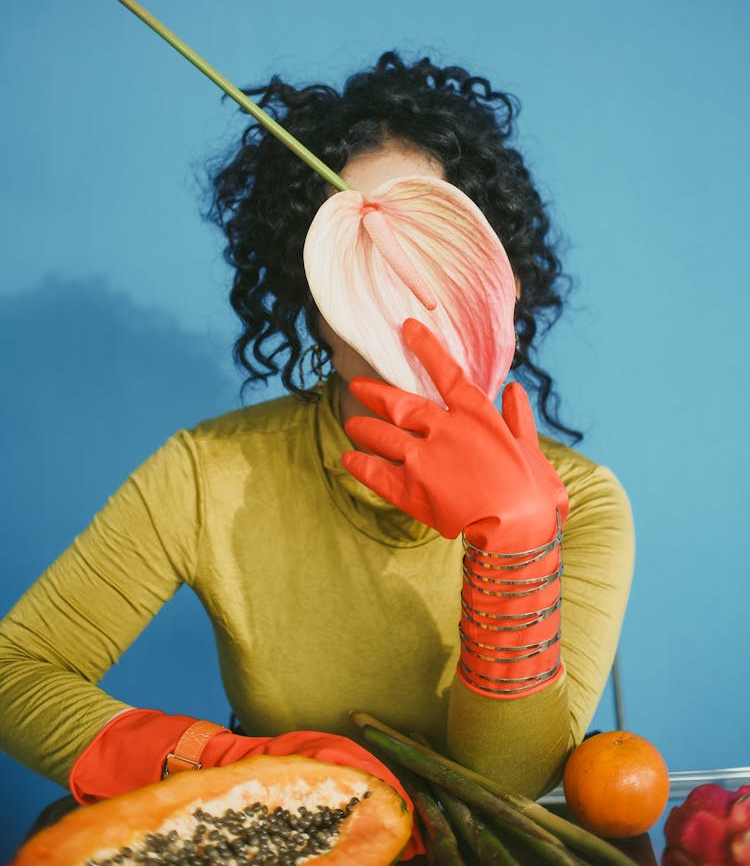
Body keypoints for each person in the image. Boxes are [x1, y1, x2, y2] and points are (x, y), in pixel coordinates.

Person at [0, 51, 634, 853]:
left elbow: (511, 785)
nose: (401, 308)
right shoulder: (207, 472)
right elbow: (13, 670)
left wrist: (516, 552)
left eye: (432, 256)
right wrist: (244, 768)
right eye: (358, 267)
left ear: (490, 280)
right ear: (314, 300)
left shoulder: (586, 501)